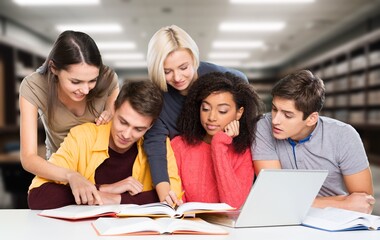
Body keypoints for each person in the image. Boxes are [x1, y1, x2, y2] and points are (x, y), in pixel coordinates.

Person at [28, 80, 182, 210]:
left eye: (139, 129)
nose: (127, 135)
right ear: (113, 108)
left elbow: (171, 198)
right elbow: (38, 197)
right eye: (123, 122)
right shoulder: (82, 136)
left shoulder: (159, 144)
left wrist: (115, 199)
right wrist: (103, 189)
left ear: (150, 126)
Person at [144, 25, 249, 204]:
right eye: (167, 71)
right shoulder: (158, 99)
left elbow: (242, 92)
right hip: (187, 175)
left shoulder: (222, 77)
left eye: (183, 67)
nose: (177, 77)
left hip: (227, 164)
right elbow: (155, 145)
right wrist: (164, 191)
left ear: (194, 57)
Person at [251, 69, 375, 214]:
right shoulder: (263, 126)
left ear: (311, 119)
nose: (275, 120)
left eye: (288, 115)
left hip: (334, 219)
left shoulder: (344, 136)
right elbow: (275, 194)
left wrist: (302, 203)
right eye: (274, 109)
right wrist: (341, 203)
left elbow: (364, 203)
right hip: (284, 216)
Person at [19, 30, 119, 204]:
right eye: (76, 82)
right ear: (54, 68)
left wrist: (111, 109)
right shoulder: (34, 86)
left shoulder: (107, 78)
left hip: (102, 169)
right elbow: (28, 157)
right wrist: (71, 175)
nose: (86, 90)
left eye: (92, 81)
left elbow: (113, 88)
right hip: (61, 172)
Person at [171, 72, 263, 208]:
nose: (211, 117)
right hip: (187, 225)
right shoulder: (179, 145)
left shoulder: (243, 152)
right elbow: (178, 202)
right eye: (205, 108)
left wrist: (219, 145)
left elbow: (233, 205)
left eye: (222, 111)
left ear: (239, 113)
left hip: (227, 227)